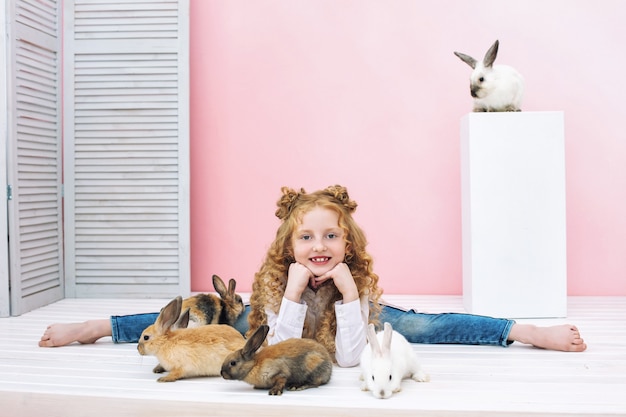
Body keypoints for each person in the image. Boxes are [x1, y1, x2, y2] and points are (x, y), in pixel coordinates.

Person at [39, 185, 587, 366]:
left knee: (420, 326)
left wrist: (348, 293)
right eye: (307, 238)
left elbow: (350, 358)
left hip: (349, 314)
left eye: (330, 237)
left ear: (347, 244)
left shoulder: (354, 276)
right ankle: (100, 327)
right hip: (283, 312)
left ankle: (520, 330)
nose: (319, 246)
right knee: (206, 314)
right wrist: (296, 292)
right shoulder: (281, 279)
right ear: (289, 246)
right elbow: (278, 347)